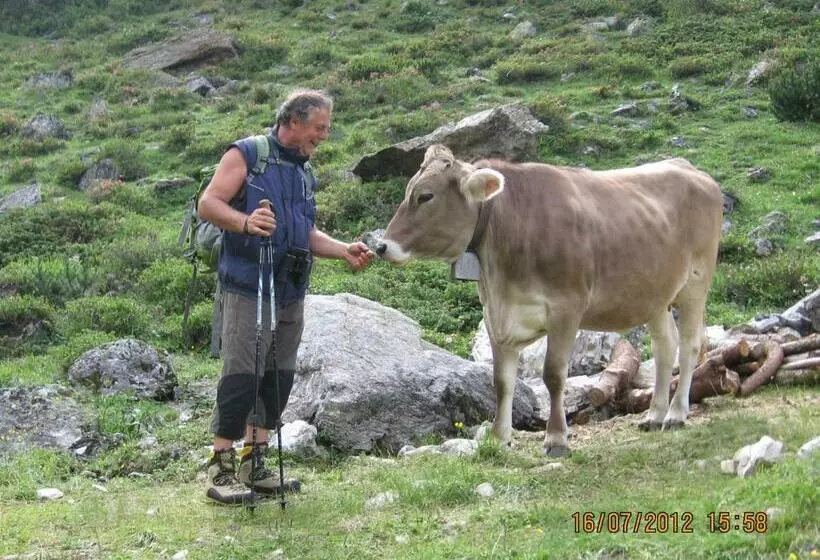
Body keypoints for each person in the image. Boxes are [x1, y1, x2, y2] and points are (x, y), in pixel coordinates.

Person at [197, 88, 374, 504]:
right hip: (248, 285)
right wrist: (244, 223)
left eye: (326, 129)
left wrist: (343, 250)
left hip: (291, 287)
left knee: (278, 375)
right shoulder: (247, 155)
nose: (324, 136)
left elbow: (305, 233)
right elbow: (208, 204)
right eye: (320, 127)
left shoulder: (303, 173)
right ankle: (220, 467)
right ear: (294, 121)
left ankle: (254, 464)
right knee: (242, 371)